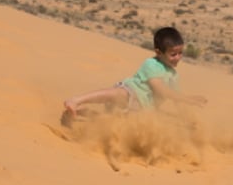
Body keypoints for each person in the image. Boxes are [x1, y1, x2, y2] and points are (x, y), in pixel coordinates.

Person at [63, 26, 206, 122]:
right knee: (117, 94)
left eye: (180, 53)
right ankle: (75, 101)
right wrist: (186, 99)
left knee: (112, 121)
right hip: (132, 93)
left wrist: (186, 117)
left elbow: (176, 100)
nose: (178, 57)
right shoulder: (151, 64)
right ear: (158, 52)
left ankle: (82, 113)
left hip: (143, 109)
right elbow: (160, 89)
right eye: (173, 54)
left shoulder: (173, 75)